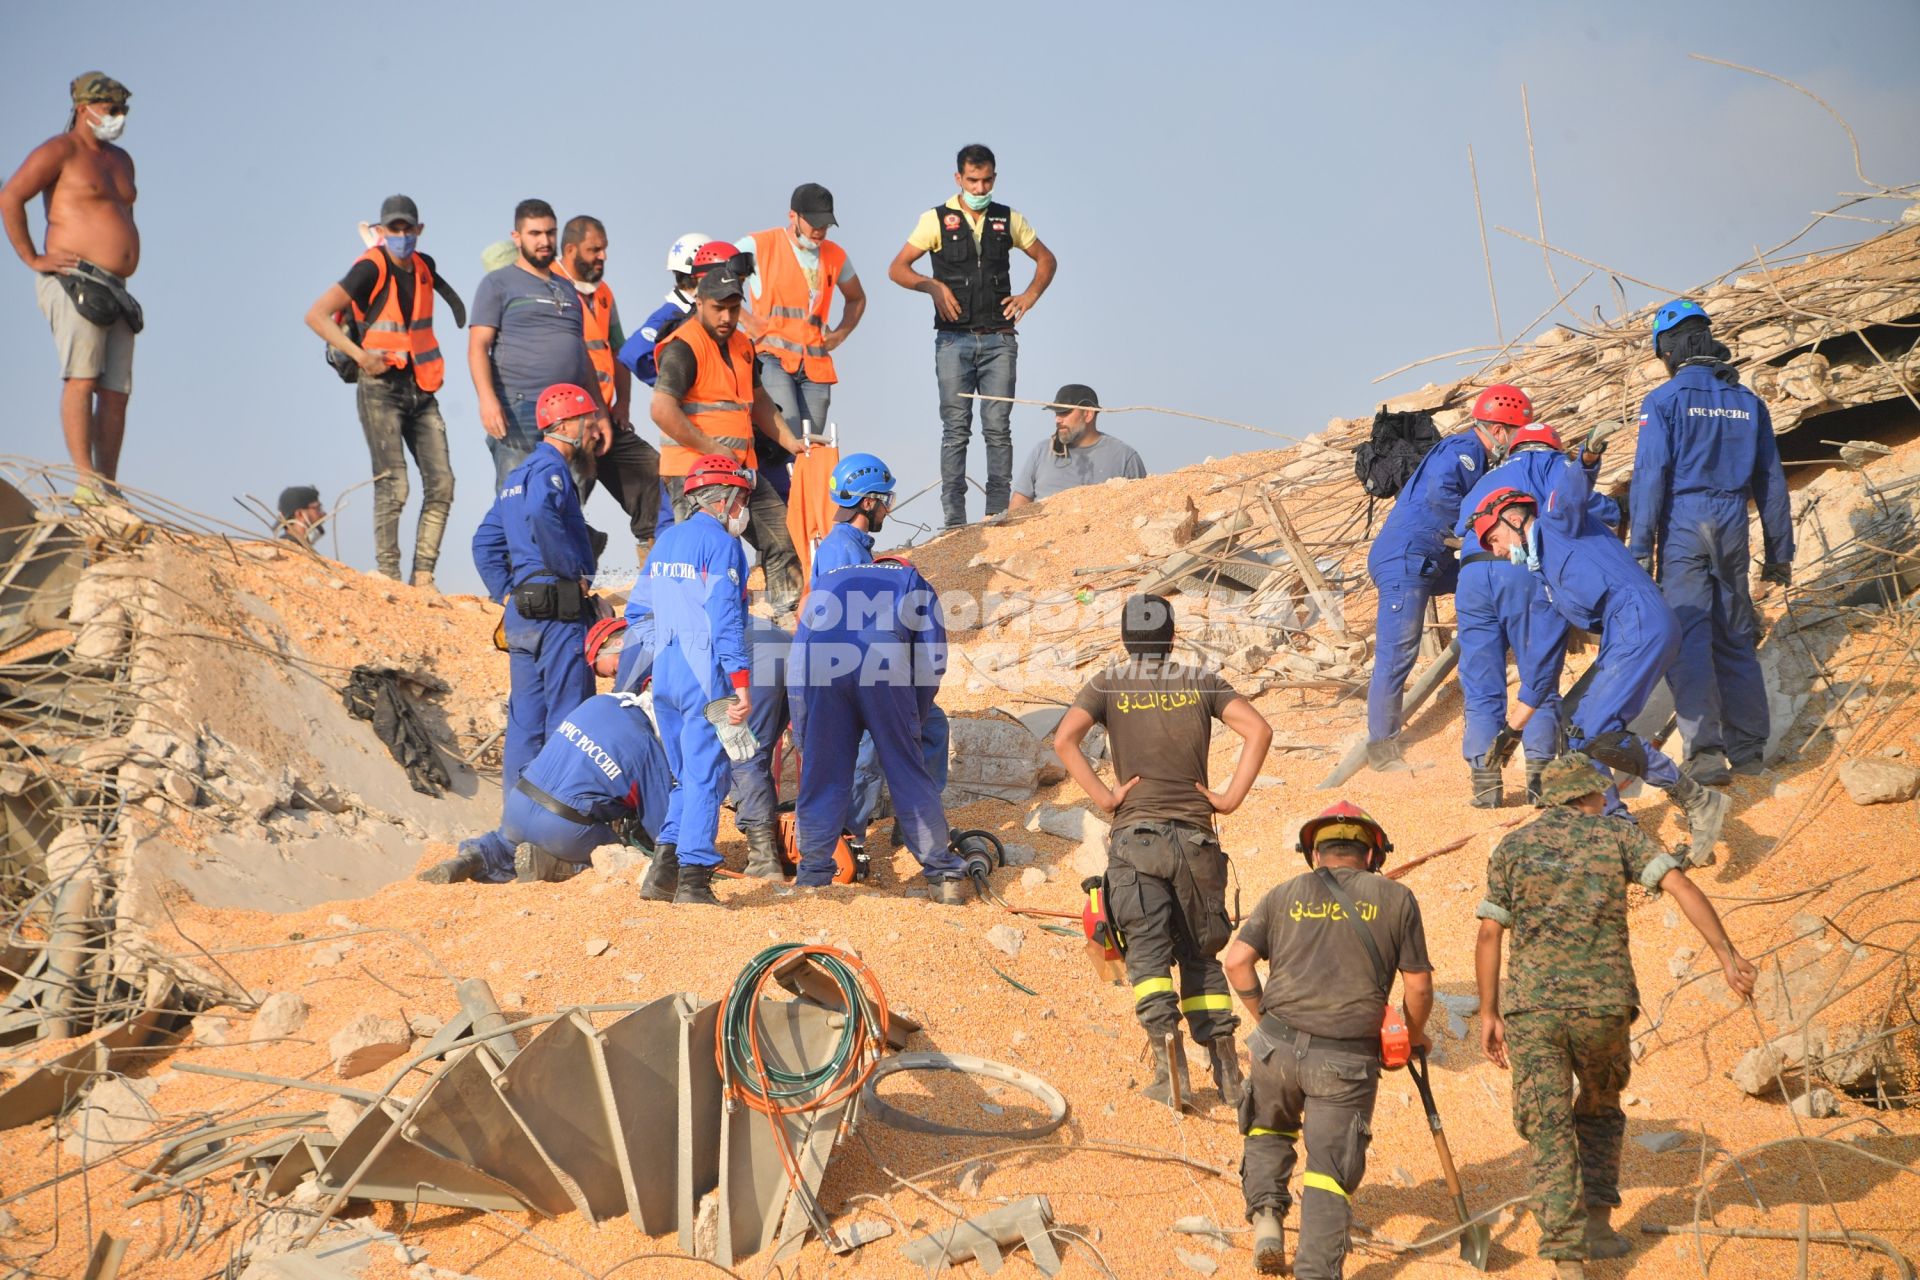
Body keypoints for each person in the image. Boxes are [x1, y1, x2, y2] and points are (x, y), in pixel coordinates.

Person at [1476, 753, 1756, 1279]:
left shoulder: (1513, 847)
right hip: (1603, 1005)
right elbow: (1682, 888)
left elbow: (1491, 932)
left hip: (1533, 1008)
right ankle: (1600, 1227)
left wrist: (1489, 1010)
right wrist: (1726, 955)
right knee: (1601, 1108)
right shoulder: (1617, 837)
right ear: (1592, 795)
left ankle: (1566, 1255)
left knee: (1547, 1123)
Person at [1054, 594, 1273, 1108]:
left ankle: (1168, 1066)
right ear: (1171, 636)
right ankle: (1228, 1074)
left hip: (1137, 840)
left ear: (1128, 639)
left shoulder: (1108, 683)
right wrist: (1228, 798)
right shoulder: (1202, 681)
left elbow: (1065, 740)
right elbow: (1259, 729)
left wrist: (1107, 797)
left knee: (1148, 954)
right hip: (1196, 840)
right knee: (1201, 952)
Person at [1469, 476, 1733, 858]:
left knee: (1596, 730)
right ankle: (1617, 827)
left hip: (1640, 620)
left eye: (1492, 539)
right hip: (1622, 634)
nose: (1495, 551)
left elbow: (1570, 492)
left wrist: (1587, 459)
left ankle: (1697, 799)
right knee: (1576, 726)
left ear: (1512, 518)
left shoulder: (1556, 525)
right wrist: (1511, 731)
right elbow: (1542, 666)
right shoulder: (1545, 583)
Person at [1222, 803, 1434, 1279]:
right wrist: (1413, 1039)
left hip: (1274, 1048)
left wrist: (1267, 1020)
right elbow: (1417, 986)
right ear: (1373, 853)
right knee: (1328, 1170)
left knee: (1267, 1130)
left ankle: (1268, 1223)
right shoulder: (1396, 899)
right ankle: (1315, 1271)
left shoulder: (1282, 894)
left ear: (1313, 852)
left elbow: (1236, 962)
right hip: (1343, 1057)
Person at [1630, 300, 1793, 784]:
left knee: (1688, 641)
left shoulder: (1663, 402)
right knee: (1735, 636)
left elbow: (1649, 477)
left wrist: (1640, 547)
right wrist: (1780, 553)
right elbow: (1771, 481)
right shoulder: (1748, 402)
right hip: (1733, 523)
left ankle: (1703, 756)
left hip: (1686, 519)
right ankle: (1749, 751)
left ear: (1667, 348)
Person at [421, 622, 673, 886]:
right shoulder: (647, 744)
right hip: (565, 828)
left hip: (519, 804)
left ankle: (476, 856)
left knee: (506, 841)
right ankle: (555, 867)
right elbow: (662, 824)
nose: (617, 675)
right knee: (617, 855)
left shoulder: (596, 704)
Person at [887, 143, 1058, 529]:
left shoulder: (1008, 218)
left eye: (986, 181)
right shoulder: (934, 219)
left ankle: (997, 515)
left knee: (998, 428)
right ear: (958, 179)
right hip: (953, 341)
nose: (979, 189)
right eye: (972, 181)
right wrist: (931, 286)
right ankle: (955, 521)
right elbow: (897, 268)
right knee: (955, 429)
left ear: (994, 178)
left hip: (999, 339)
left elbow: (1047, 259)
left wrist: (1029, 296)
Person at [1453, 420, 1620, 806]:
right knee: (1539, 675)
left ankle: (1486, 787)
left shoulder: (1487, 477)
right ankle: (1541, 785)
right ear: (1552, 447)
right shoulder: (1550, 464)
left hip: (1473, 574)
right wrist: (1618, 507)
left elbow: (1462, 522)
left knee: (1480, 681)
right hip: (1520, 567)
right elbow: (1583, 502)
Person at [1365, 384, 1529, 770]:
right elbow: (1443, 495)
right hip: (1406, 560)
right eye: (1517, 433)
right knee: (1397, 652)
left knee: (1493, 571)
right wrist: (1486, 527)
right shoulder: (1466, 451)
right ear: (1501, 430)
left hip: (1429, 559)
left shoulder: (1471, 453)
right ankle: (1381, 749)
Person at [788, 558, 969, 902]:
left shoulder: (827, 579)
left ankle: (812, 875)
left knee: (822, 773)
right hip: (883, 662)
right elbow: (933, 660)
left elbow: (798, 660)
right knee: (906, 770)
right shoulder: (913, 580)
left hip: (824, 664)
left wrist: (802, 729)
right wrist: (912, 718)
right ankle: (943, 875)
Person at [304, 194, 461, 588]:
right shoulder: (369, 269)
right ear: (382, 230)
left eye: (408, 228)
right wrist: (360, 356)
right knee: (394, 483)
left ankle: (423, 577)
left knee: (441, 482)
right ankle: (389, 576)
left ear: (419, 230)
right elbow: (316, 315)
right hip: (380, 386)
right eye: (395, 228)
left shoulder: (425, 268)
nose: (402, 235)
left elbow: (452, 304)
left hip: (421, 386)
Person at [1, 73, 141, 501]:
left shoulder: (121, 160)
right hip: (73, 279)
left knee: (116, 391)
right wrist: (33, 258)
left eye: (122, 110)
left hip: (115, 287)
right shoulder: (60, 150)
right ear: (85, 109)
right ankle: (86, 481)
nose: (118, 118)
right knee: (82, 377)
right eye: (111, 109)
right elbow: (10, 197)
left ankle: (108, 486)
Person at [467, 383, 599, 827]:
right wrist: (571, 575)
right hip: (557, 612)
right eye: (587, 420)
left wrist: (505, 590)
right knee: (568, 715)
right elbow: (544, 515)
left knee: (525, 724)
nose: (593, 428)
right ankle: (559, 828)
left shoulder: (515, 478)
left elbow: (484, 542)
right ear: (565, 425)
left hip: (522, 614)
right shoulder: (551, 473)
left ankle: (517, 826)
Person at [636, 454, 760, 907]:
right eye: (741, 499)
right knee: (708, 776)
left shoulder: (666, 540)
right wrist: (741, 683)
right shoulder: (723, 546)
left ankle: (662, 872)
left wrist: (667, 649)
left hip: (666, 673)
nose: (743, 509)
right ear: (724, 499)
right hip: (705, 676)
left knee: (685, 777)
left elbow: (637, 611)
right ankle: (693, 881)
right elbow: (725, 620)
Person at [650, 253, 804, 612]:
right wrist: (712, 451)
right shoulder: (683, 347)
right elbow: (661, 409)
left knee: (782, 537)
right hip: (694, 476)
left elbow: (760, 402)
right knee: (701, 561)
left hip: (738, 472)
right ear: (699, 302)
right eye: (719, 308)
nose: (727, 317)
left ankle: (788, 620)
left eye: (734, 308)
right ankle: (698, 633)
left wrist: (790, 441)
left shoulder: (742, 345)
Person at [738, 184, 867, 502]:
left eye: (825, 223)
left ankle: (804, 517)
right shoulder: (760, 244)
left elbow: (856, 298)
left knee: (810, 451)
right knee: (788, 436)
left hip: (815, 367)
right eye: (814, 222)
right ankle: (782, 517)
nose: (820, 230)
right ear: (793, 215)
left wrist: (840, 332)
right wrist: (745, 318)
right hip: (772, 357)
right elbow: (715, 276)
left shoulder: (835, 256)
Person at [470, 199, 612, 486]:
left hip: (571, 413)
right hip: (519, 409)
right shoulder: (498, 283)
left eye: (549, 232)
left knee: (568, 499)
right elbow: (477, 347)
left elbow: (581, 353)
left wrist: (600, 411)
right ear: (517, 237)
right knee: (519, 498)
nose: (544, 241)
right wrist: (487, 400)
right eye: (534, 233)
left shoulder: (568, 288)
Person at [556, 215, 661, 564]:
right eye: (594, 249)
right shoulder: (549, 287)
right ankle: (561, 571)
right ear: (570, 250)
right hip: (567, 420)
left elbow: (620, 350)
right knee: (566, 496)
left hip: (605, 417)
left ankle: (654, 556)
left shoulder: (603, 294)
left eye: (604, 249)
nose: (602, 256)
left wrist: (623, 406)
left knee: (649, 469)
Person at [1009, 384, 1146, 507]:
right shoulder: (1042, 451)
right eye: (1056, 413)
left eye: (1064, 412)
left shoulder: (1124, 457)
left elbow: (1141, 506)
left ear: (1087, 414)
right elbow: (1020, 501)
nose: (1057, 419)